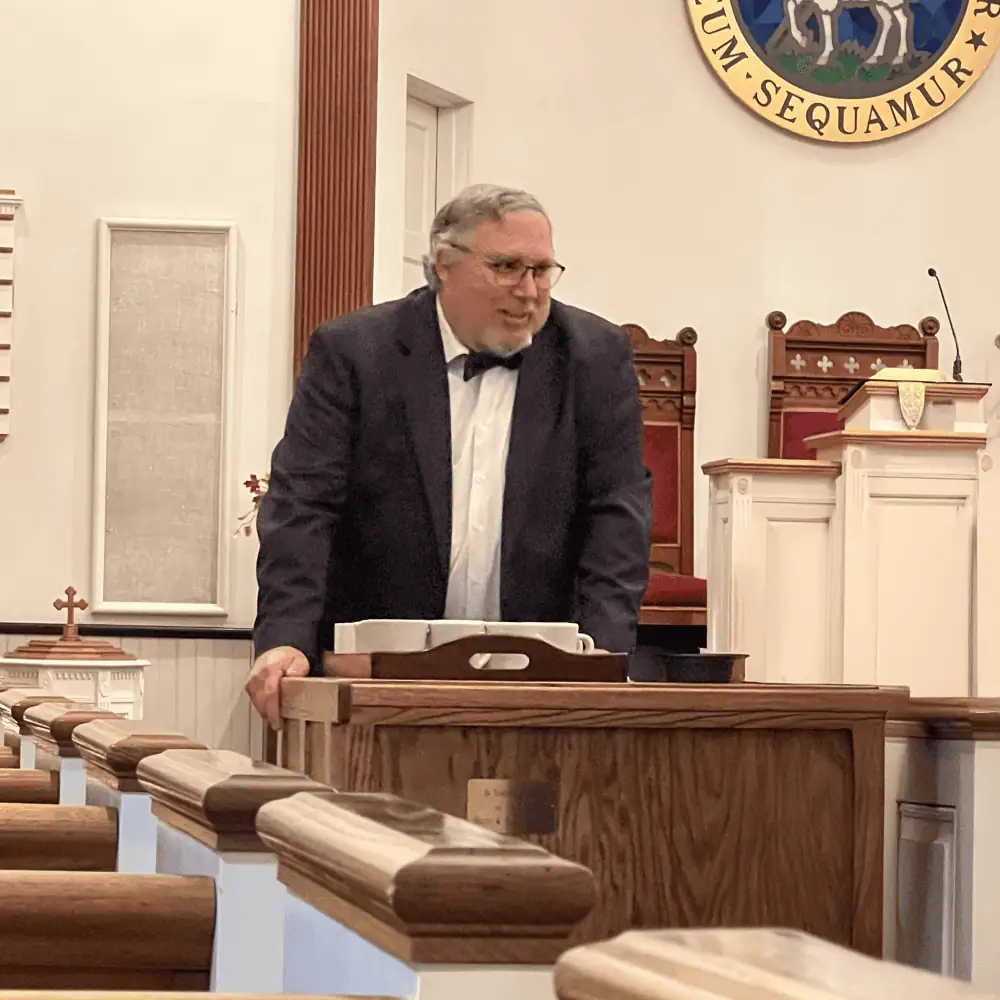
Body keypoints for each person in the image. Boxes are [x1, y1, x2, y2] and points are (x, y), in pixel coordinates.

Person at [246, 183, 652, 726]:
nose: (530, 291)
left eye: (542, 270)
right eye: (507, 267)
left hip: (541, 680)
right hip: (378, 675)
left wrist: (604, 656)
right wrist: (286, 639)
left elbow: (617, 515)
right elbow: (304, 507)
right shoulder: (355, 353)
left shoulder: (594, 356)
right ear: (443, 264)